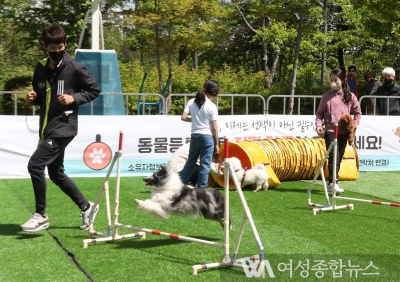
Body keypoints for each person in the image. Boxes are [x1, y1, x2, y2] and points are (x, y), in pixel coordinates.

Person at [21, 23, 101, 232]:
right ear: (45, 47)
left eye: (61, 46)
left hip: (64, 128)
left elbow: (94, 90)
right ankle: (86, 206)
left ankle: (40, 214)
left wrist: (73, 98)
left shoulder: (75, 67)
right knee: (56, 174)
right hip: (46, 127)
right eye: (53, 48)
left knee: (35, 165)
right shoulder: (40, 68)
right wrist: (33, 99)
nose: (57, 51)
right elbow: (42, 98)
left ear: (65, 44)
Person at [316, 68, 362, 194]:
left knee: (339, 156)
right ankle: (332, 183)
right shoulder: (326, 97)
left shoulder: (350, 96)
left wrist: (354, 125)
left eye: (335, 80)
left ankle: (334, 181)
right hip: (330, 130)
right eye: (331, 80)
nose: (333, 82)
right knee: (333, 156)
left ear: (342, 80)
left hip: (343, 131)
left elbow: (358, 113)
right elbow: (319, 113)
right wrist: (319, 124)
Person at [180, 80, 220, 189]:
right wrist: (217, 144)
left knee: (190, 163)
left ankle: (179, 187)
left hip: (195, 136)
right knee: (204, 166)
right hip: (207, 137)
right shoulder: (212, 106)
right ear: (214, 93)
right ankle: (201, 190)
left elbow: (183, 117)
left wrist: (193, 120)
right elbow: (215, 128)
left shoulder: (191, 101)